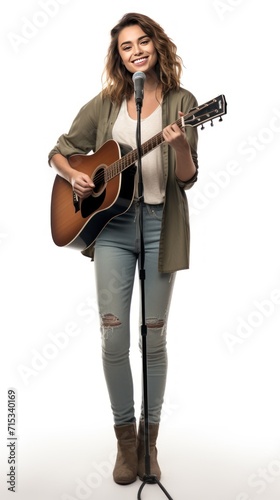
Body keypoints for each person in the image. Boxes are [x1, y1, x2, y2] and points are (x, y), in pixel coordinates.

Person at [48, 12, 199, 486]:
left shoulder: (182, 102)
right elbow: (59, 149)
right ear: (119, 56)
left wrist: (177, 146)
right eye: (125, 46)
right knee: (114, 338)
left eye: (142, 41)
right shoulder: (109, 102)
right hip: (112, 230)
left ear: (157, 44)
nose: (136, 50)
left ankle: (150, 443)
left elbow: (187, 177)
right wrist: (74, 174)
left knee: (153, 337)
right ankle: (125, 443)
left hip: (158, 226)